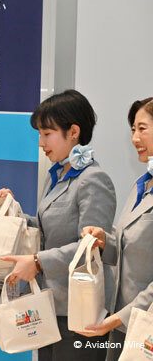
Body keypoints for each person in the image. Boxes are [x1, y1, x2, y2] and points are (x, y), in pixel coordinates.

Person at [0, 89, 116, 361]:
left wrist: (38, 261)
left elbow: (91, 248)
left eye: (46, 133)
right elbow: (45, 230)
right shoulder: (56, 176)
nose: (41, 143)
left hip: (81, 311)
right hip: (51, 306)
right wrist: (14, 215)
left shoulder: (93, 179)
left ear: (73, 131)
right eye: (39, 134)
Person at [81, 97, 153, 361]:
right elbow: (130, 249)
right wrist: (105, 242)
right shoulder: (141, 185)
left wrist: (115, 320)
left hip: (144, 324)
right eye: (133, 129)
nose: (135, 137)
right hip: (124, 322)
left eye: (142, 128)